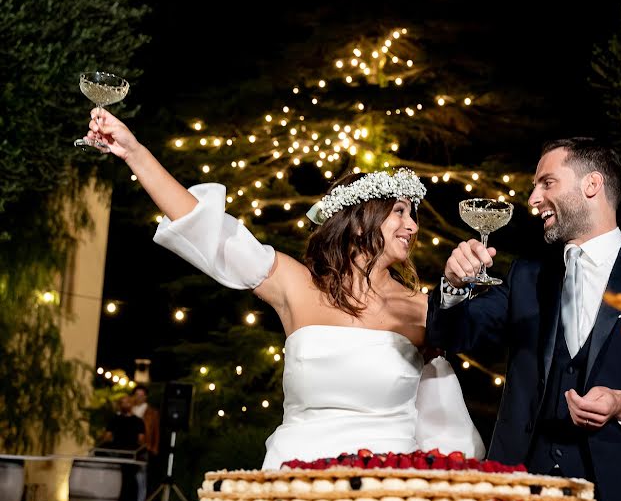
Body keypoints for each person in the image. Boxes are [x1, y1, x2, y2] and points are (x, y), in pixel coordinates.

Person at [85, 109, 484, 470]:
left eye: (413, 215)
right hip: (291, 477)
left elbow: (445, 421)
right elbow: (204, 228)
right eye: (399, 212)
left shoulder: (424, 309)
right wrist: (134, 152)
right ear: (360, 221)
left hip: (385, 492)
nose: (413, 225)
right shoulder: (295, 284)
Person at [426, 137, 621, 501]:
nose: (533, 198)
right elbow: (454, 333)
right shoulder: (527, 276)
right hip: (522, 499)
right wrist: (451, 287)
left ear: (592, 185)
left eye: (547, 183)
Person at [102, 395, 145, 501]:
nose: (126, 405)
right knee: (119, 480)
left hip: (132, 455)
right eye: (123, 403)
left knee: (131, 480)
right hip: (117, 455)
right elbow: (107, 436)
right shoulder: (115, 419)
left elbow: (141, 439)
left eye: (128, 402)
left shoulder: (138, 421)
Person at [130, 385, 159, 501]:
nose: (139, 397)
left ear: (145, 396)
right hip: (130, 447)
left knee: (141, 478)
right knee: (129, 478)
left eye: (141, 395)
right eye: (137, 394)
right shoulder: (130, 410)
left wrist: (153, 447)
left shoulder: (151, 413)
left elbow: (155, 431)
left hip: (143, 448)